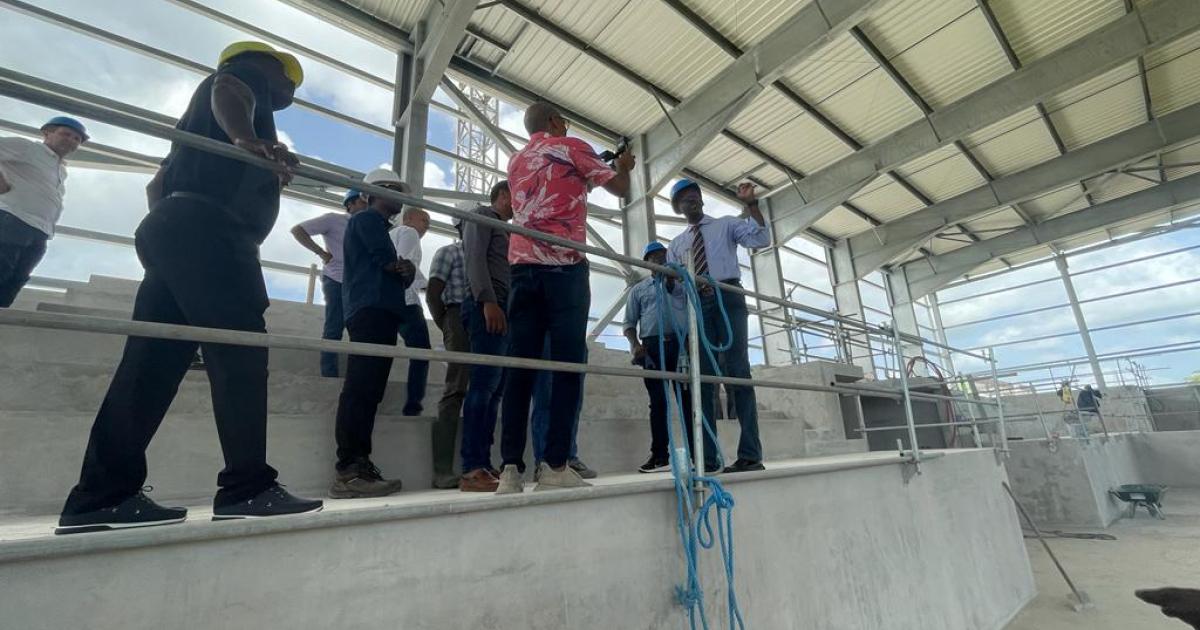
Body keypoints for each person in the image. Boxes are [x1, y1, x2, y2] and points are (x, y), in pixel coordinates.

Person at [56, 41, 322, 534]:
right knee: (239, 352)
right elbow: (231, 87)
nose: (287, 94)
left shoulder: (194, 129)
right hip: (212, 235)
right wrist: (245, 140)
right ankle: (247, 489)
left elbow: (155, 188)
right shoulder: (246, 78)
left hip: (174, 229)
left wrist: (177, 226)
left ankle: (100, 496)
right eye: (290, 87)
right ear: (279, 72)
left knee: (149, 366)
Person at [495, 102, 634, 493]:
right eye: (564, 120)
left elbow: (561, 187)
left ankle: (509, 468)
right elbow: (621, 190)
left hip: (522, 267)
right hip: (564, 267)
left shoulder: (516, 160)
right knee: (568, 366)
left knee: (520, 368)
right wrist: (625, 166)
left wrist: (588, 176)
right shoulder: (571, 145)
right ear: (555, 122)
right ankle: (554, 465)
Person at [667, 178, 770, 473]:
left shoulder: (725, 225)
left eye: (695, 195)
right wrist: (669, 279)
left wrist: (751, 205)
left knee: (738, 372)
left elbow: (761, 238)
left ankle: (750, 454)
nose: (692, 200)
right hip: (698, 303)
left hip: (728, 297)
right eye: (685, 198)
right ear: (677, 207)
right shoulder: (677, 244)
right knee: (705, 379)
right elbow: (675, 292)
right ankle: (708, 458)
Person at [329, 168, 418, 499]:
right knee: (362, 388)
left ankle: (359, 464)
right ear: (375, 193)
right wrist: (402, 269)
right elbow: (392, 266)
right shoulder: (367, 220)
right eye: (393, 189)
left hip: (379, 309)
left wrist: (403, 271)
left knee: (369, 390)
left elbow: (404, 275)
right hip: (371, 309)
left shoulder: (376, 225)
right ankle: (349, 469)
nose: (399, 196)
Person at [458, 181, 513, 492]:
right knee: (482, 386)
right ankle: (471, 467)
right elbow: (475, 259)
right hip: (486, 305)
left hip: (503, 308)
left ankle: (482, 460)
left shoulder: (507, 229)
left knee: (494, 390)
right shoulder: (482, 215)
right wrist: (487, 300)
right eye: (517, 195)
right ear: (504, 195)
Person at [0, 116, 87, 307]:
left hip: (40, 232)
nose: (71, 140)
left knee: (15, 281)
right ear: (47, 132)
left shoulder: (60, 169)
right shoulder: (28, 148)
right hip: (12, 220)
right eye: (66, 134)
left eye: (77, 139)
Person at [624, 242, 691, 473]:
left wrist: (672, 281)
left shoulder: (683, 286)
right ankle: (660, 456)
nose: (659, 260)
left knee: (687, 402)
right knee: (658, 403)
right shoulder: (639, 290)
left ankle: (696, 453)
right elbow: (629, 323)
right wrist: (636, 345)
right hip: (652, 348)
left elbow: (694, 314)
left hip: (680, 346)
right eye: (653, 257)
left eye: (663, 256)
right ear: (647, 263)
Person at [290, 188, 368, 377]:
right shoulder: (333, 220)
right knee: (334, 327)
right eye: (363, 200)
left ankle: (358, 375)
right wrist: (321, 252)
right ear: (350, 204)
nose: (367, 204)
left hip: (359, 285)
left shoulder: (369, 228)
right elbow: (298, 230)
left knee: (362, 331)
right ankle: (329, 376)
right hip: (336, 280)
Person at [426, 214, 470, 489]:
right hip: (457, 314)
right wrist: (447, 324)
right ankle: (442, 469)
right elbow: (433, 293)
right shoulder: (449, 253)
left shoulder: (491, 257)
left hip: (485, 319)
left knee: (485, 390)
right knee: (456, 387)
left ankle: (477, 464)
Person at [530, 340, 596, 480]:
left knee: (573, 402)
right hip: (546, 330)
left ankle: (569, 458)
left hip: (573, 332)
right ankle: (544, 463)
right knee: (545, 398)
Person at [390, 205, 432, 416]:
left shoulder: (390, 234)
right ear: (409, 219)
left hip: (386, 302)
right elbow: (404, 263)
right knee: (421, 351)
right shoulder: (409, 232)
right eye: (424, 220)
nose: (427, 226)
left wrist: (426, 285)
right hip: (406, 302)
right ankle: (413, 403)